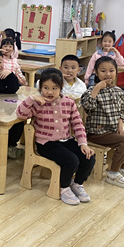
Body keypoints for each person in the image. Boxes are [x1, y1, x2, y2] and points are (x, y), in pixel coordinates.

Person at [16, 69, 95, 205]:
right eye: (45, 88)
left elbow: (77, 124)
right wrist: (32, 98)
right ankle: (63, 188)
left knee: (89, 157)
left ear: (61, 87)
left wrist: (83, 144)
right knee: (71, 160)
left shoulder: (69, 102)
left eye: (54, 88)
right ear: (40, 88)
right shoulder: (38, 103)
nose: (50, 92)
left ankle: (77, 184)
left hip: (66, 140)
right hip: (46, 144)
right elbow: (21, 115)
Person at [81, 56, 124, 189]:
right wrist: (96, 88)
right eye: (103, 71)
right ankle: (112, 174)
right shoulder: (91, 91)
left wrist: (120, 127)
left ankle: (121, 168)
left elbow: (120, 111)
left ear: (116, 72)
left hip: (112, 130)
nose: (107, 74)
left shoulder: (119, 92)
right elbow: (88, 106)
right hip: (96, 132)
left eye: (111, 70)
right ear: (96, 73)